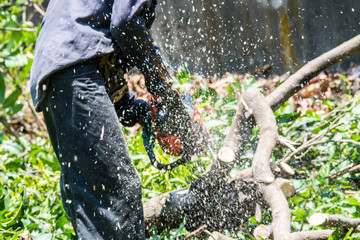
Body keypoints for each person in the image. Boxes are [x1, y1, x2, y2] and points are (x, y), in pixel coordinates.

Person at [30, 0, 168, 239]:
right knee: (114, 189)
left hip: (58, 70)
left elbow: (103, 51)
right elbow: (127, 25)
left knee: (89, 191)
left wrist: (148, 112)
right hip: (75, 69)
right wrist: (162, 84)